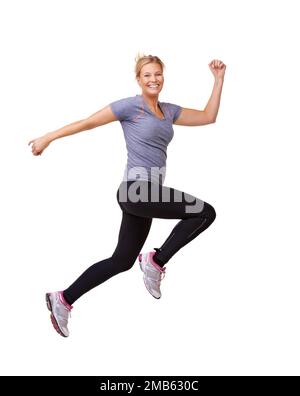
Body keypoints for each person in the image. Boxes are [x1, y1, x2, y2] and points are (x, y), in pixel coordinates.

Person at [28, 54, 226, 337]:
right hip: (136, 190)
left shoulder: (168, 111)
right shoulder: (130, 106)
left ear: (163, 77)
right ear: (138, 79)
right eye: (147, 75)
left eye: (157, 74)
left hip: (146, 195)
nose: (153, 79)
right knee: (205, 212)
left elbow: (208, 116)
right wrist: (48, 137)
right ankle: (156, 261)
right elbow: (87, 123)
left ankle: (63, 299)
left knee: (122, 260)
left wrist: (218, 80)